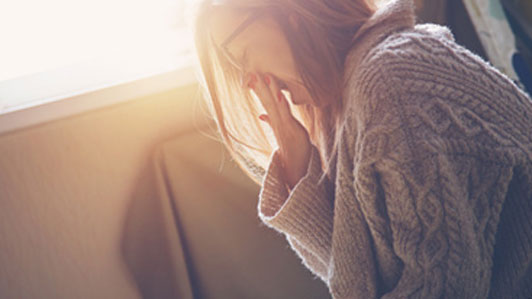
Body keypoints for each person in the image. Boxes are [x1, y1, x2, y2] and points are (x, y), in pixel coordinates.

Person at [191, 0, 532, 297]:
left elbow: (444, 289)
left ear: (288, 11)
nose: (248, 79)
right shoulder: (338, 106)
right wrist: (299, 171)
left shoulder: (391, 83)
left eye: (242, 56)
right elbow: (356, 283)